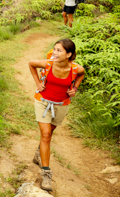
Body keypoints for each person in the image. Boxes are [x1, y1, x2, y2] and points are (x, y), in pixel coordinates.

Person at [28, 39, 85, 191]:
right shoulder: (47, 64)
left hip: (61, 105)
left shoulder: (75, 69)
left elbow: (82, 73)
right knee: (46, 135)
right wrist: (38, 83)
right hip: (43, 102)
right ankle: (46, 173)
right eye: (54, 49)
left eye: (59, 51)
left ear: (69, 54)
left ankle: (39, 153)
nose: (54, 53)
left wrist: (75, 88)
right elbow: (31, 64)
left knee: (49, 133)